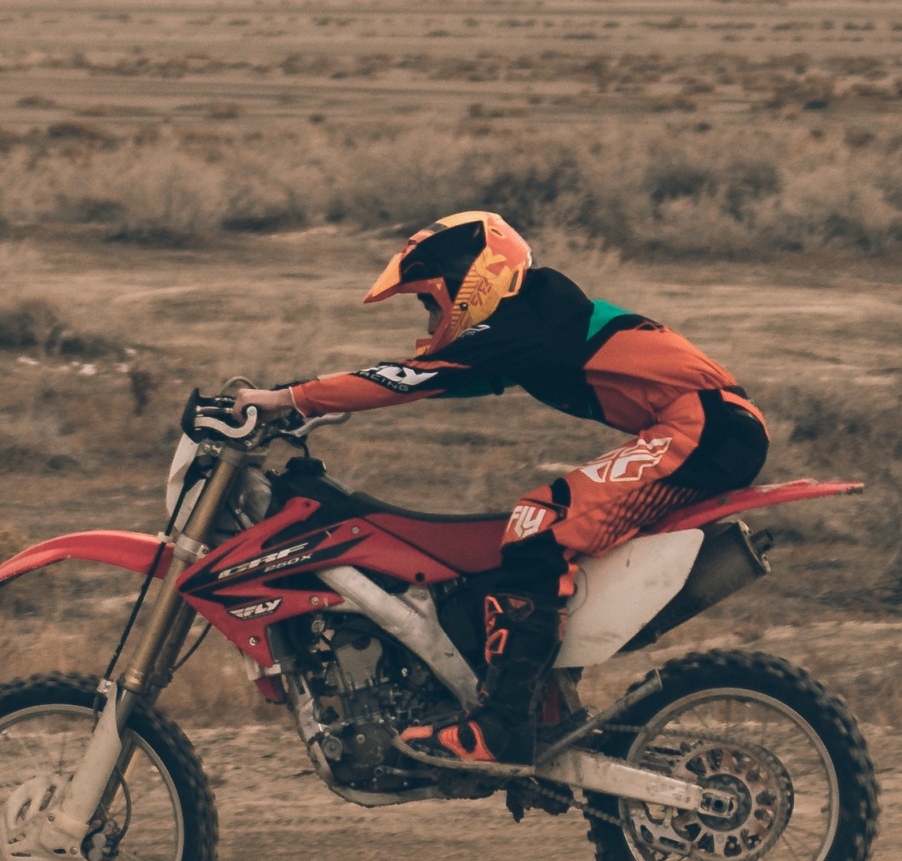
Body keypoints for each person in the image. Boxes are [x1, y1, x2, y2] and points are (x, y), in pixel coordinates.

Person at [233, 210, 768, 773]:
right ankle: (541, 700)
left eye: (431, 300)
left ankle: (504, 725)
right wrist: (311, 408)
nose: (432, 314)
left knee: (538, 524)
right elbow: (446, 379)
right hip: (704, 426)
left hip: (706, 429)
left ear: (469, 279)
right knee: (537, 524)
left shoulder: (524, 319)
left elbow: (414, 379)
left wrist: (288, 399)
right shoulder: (534, 316)